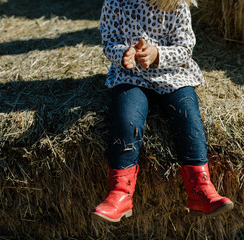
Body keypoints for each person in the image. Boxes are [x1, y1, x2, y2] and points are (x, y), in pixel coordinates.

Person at [91, 0, 234, 222]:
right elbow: (109, 41)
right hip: (132, 76)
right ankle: (120, 194)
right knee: (126, 119)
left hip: (174, 75)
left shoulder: (176, 3)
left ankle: (200, 190)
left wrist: (157, 54)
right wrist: (123, 54)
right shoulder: (115, 2)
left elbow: (185, 48)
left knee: (188, 116)